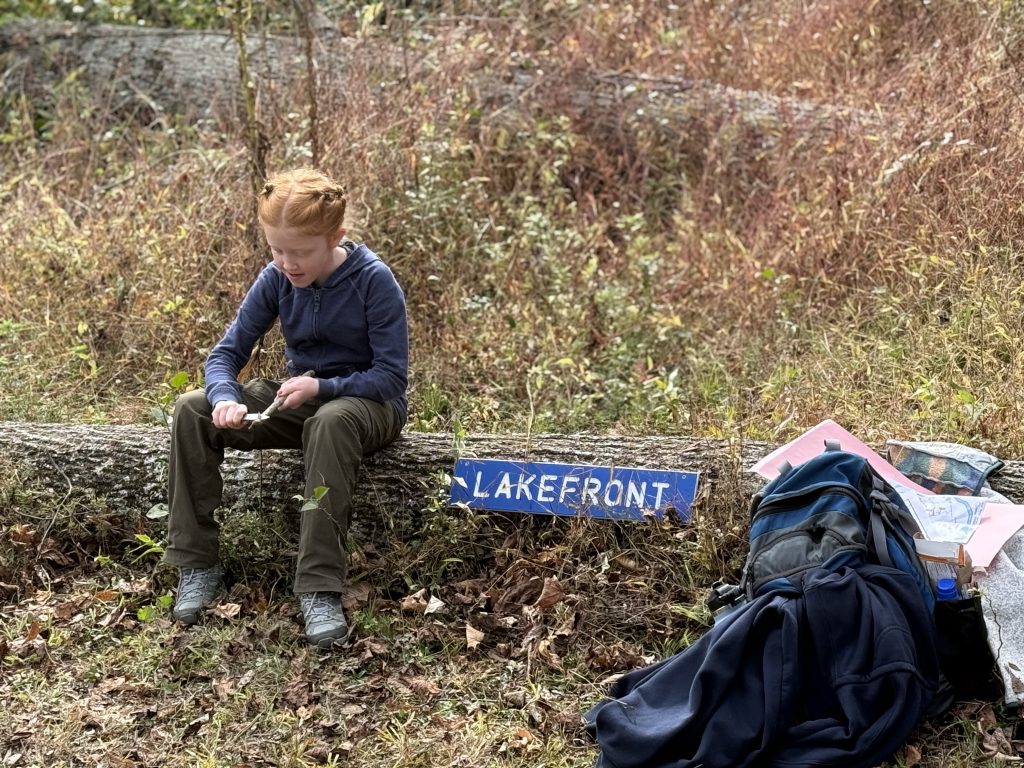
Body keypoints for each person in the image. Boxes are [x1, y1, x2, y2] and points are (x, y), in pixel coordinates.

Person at [163, 167, 408, 648]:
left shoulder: (374, 281)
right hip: (299, 400)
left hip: (369, 406)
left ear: (335, 236)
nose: (287, 263)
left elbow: (391, 377)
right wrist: (225, 398)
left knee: (331, 421)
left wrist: (321, 389)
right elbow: (225, 356)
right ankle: (197, 564)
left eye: (300, 252)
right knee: (191, 408)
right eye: (276, 250)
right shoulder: (276, 277)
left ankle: (318, 587)